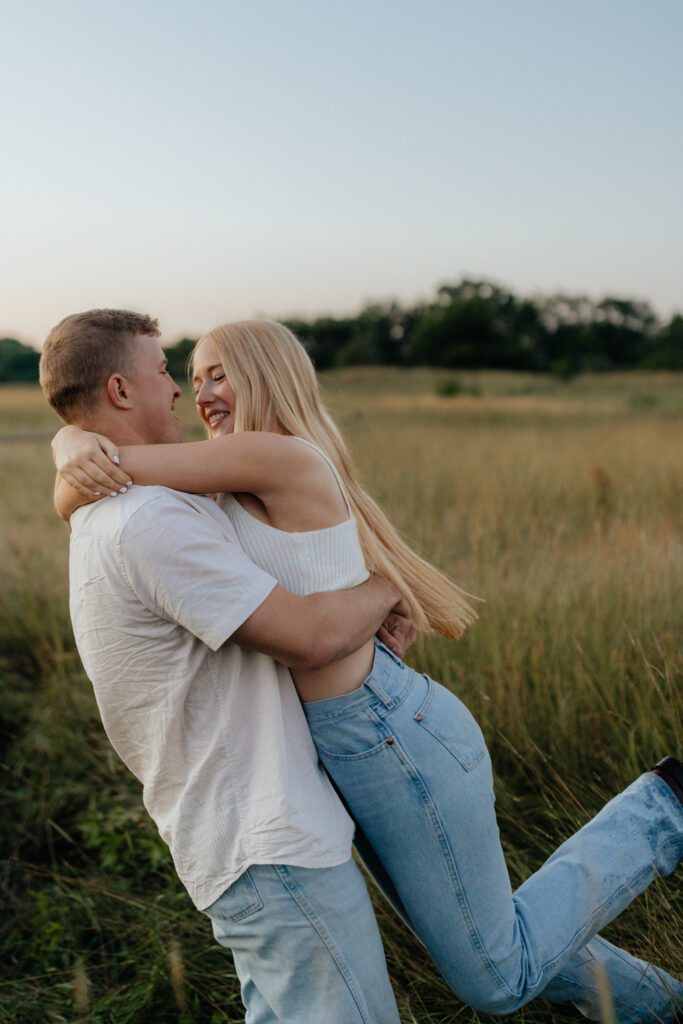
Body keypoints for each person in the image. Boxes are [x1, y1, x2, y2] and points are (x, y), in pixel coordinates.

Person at [52, 318, 683, 1024]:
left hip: (381, 727)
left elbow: (105, 480)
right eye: (188, 375)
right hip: (343, 743)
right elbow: (88, 493)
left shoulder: (279, 458)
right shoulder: (217, 474)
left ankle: (662, 809)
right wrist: (72, 442)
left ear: (267, 375)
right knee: (482, 939)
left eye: (216, 373)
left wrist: (74, 442)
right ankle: (660, 1006)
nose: (194, 391)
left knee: (491, 971)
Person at [40, 308, 417, 1024]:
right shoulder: (147, 519)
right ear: (120, 390)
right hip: (265, 834)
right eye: (165, 375)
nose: (180, 393)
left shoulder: (134, 501)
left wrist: (70, 442)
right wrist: (388, 587)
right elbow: (307, 639)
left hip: (243, 830)